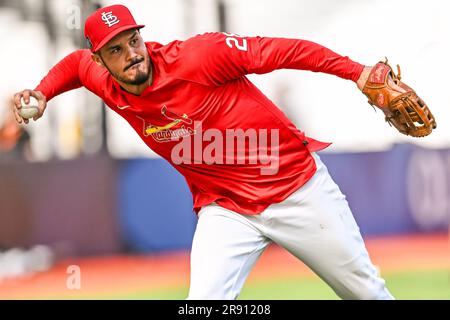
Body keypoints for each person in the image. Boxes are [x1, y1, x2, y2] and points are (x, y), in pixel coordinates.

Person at [13, 4, 395, 299]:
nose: (131, 53)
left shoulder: (199, 56)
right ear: (101, 60)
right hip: (227, 209)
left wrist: (356, 72)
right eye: (115, 49)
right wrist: (43, 92)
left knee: (364, 292)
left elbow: (284, 51)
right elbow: (76, 65)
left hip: (296, 189)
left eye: (133, 40)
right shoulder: (103, 81)